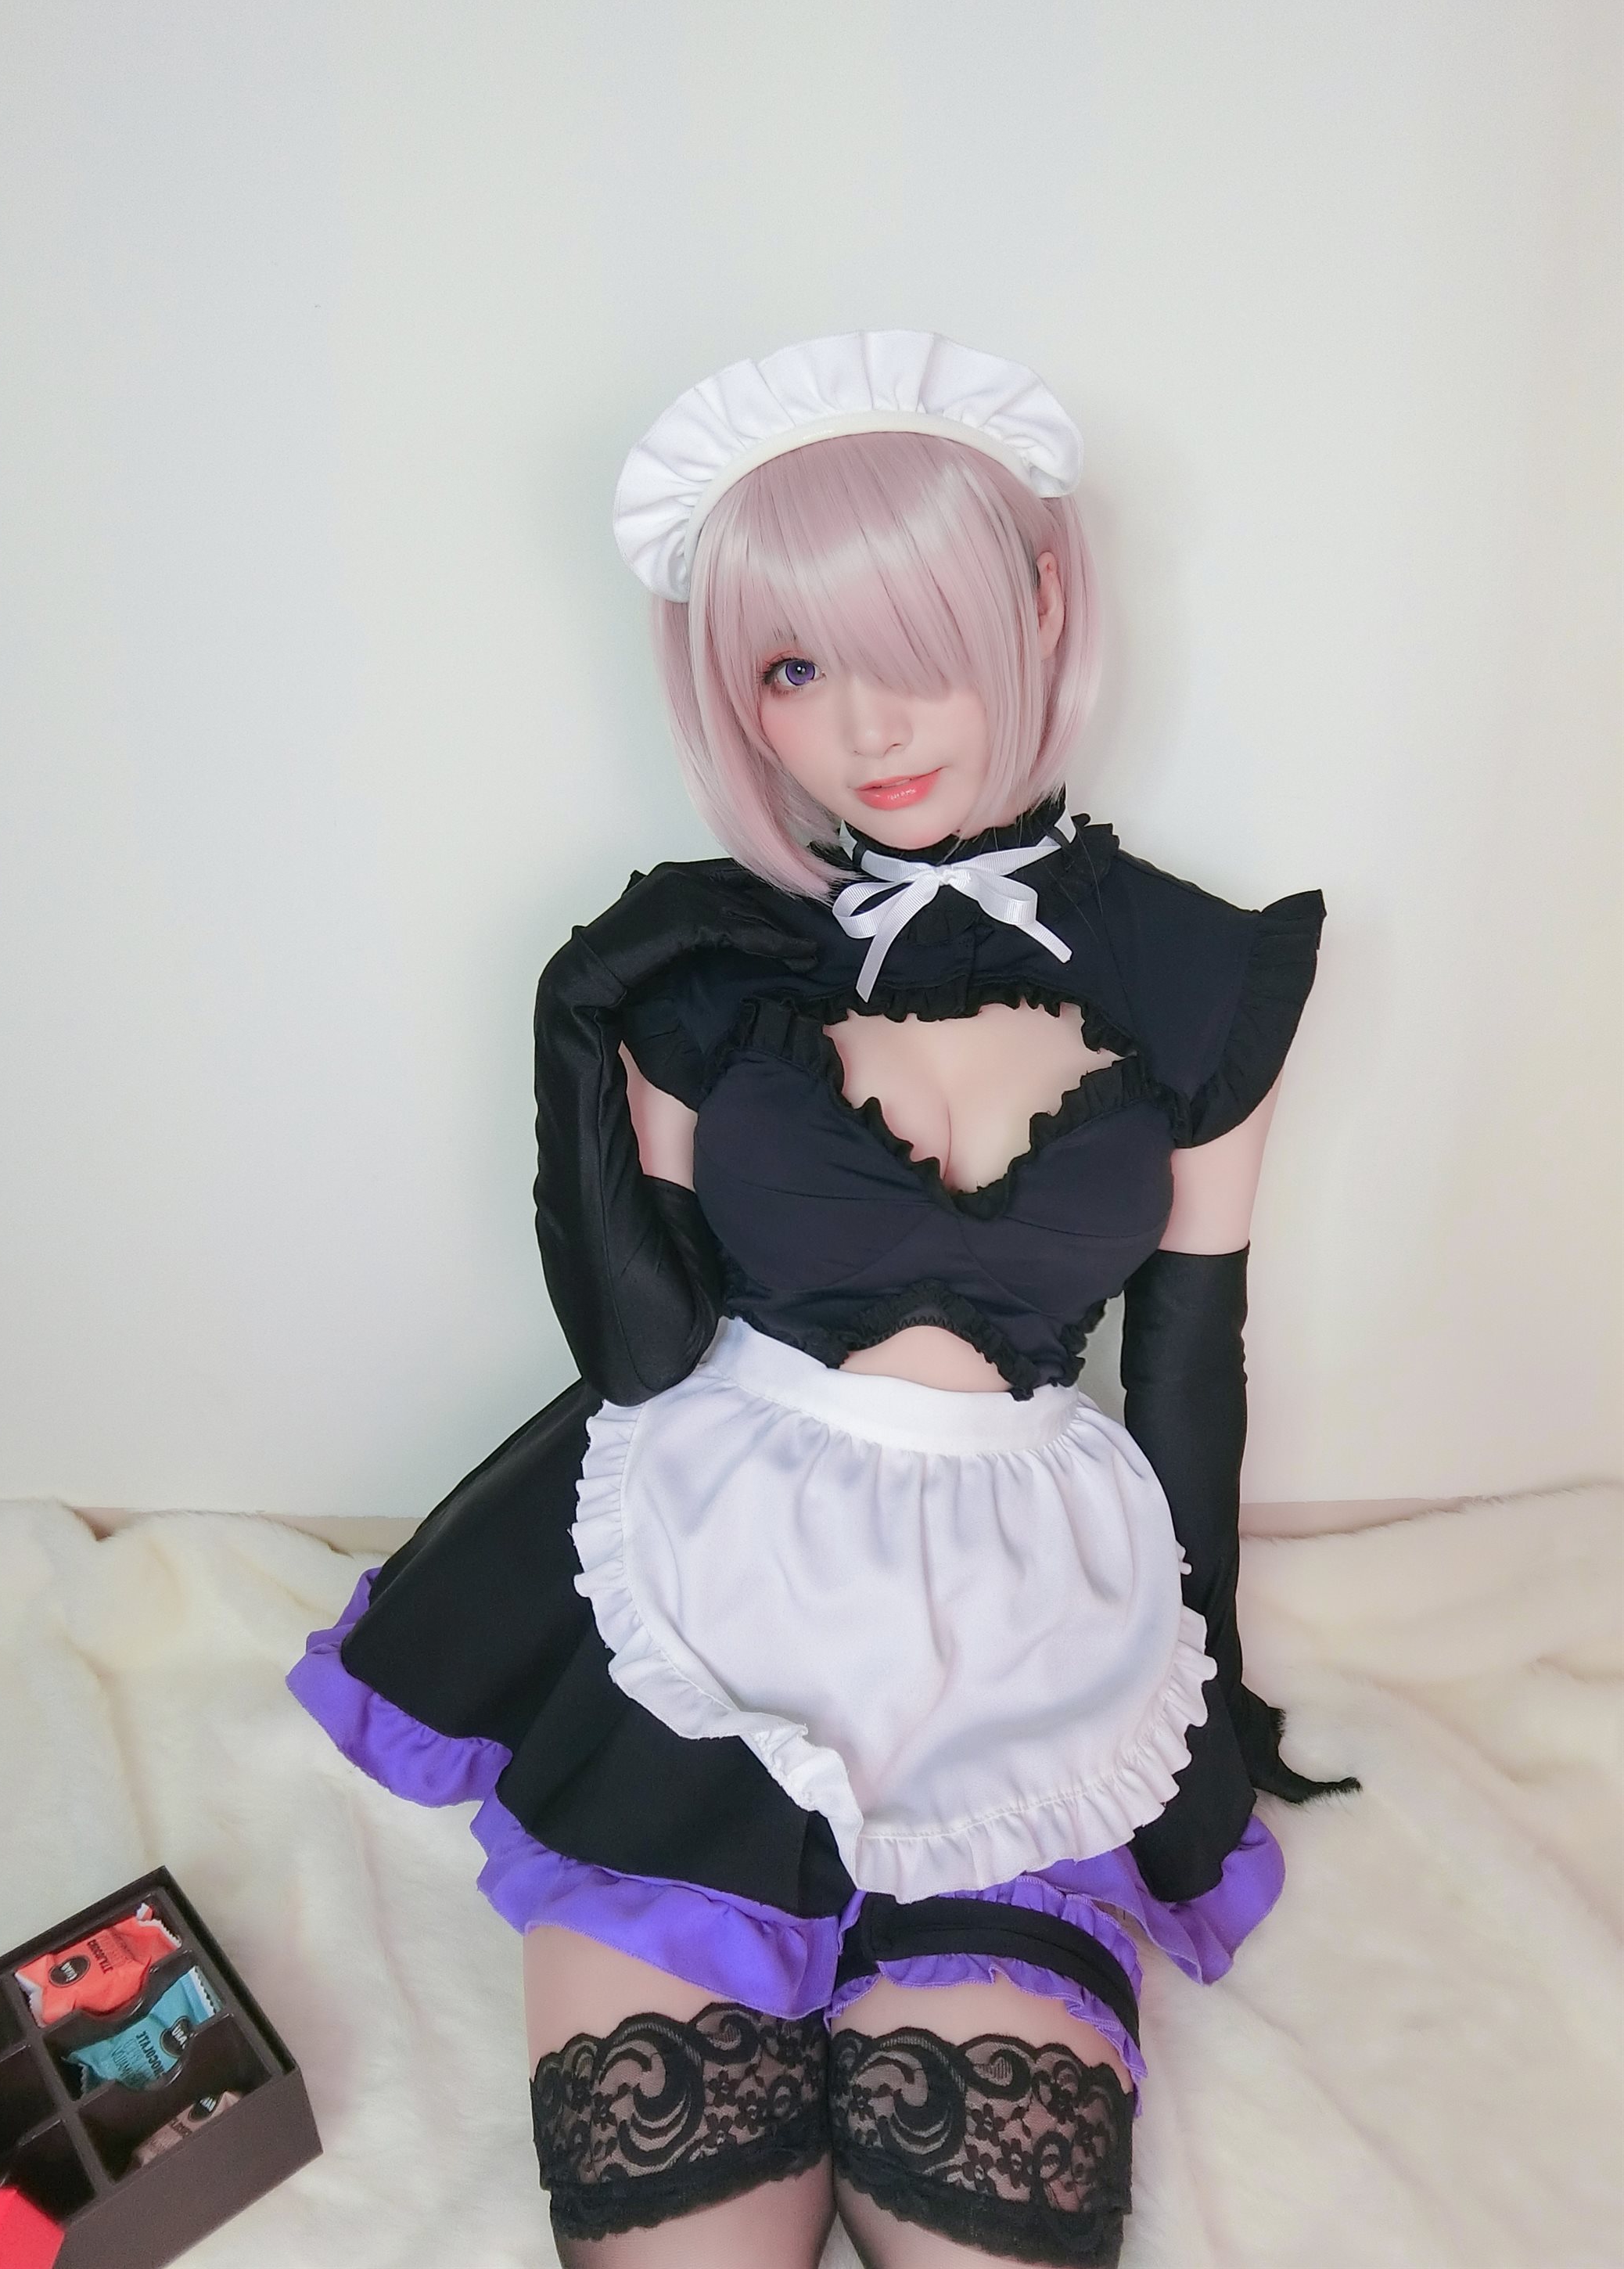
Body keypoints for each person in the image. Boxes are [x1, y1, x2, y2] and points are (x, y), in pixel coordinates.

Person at [289, 331, 1356, 2268]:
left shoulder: (1204, 975)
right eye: (791, 668)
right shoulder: (707, 959)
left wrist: (1202, 1681)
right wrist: (575, 1029)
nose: (865, 728)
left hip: (1026, 1633)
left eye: (916, 643)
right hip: (716, 1585)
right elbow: (642, 1353)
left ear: (1044, 600)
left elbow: (1190, 1359)